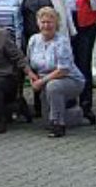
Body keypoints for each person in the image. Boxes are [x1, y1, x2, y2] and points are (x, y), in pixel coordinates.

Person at [26, 7, 85, 138]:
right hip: (45, 81)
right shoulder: (33, 40)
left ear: (56, 24)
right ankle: (75, 114)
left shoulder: (62, 41)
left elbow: (63, 70)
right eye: (43, 22)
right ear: (38, 23)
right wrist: (32, 77)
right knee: (45, 121)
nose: (46, 25)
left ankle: (58, 125)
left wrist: (41, 81)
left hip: (70, 79)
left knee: (53, 87)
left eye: (50, 22)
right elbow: (28, 63)